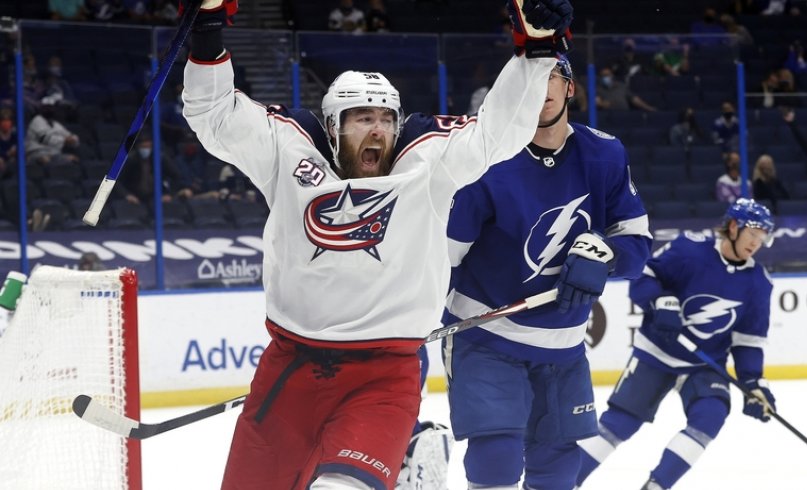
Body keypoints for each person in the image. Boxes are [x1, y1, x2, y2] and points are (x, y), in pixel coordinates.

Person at [180, 0, 574, 488]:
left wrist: (535, 49)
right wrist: (208, 26)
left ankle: (406, 452)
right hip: (289, 372)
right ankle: (413, 458)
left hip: (382, 378)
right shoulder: (288, 150)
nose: (378, 130)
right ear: (332, 128)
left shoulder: (429, 160)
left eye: (386, 118)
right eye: (361, 118)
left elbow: (501, 132)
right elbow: (214, 114)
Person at [442, 55, 652, 490]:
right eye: (531, 78)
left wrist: (604, 252)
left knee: (557, 472)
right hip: (487, 337)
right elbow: (442, 258)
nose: (541, 87)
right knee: (495, 460)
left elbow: (636, 247)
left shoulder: (604, 153)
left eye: (551, 76)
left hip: (565, 348)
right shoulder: (482, 162)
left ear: (569, 88)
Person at [577, 198, 778, 490]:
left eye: (762, 238)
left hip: (704, 364)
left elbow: (748, 341)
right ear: (733, 227)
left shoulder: (758, 282)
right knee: (619, 423)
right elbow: (644, 276)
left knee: (710, 417)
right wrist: (659, 301)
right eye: (752, 234)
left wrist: (754, 382)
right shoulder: (689, 251)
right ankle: (564, 482)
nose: (756, 243)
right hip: (656, 352)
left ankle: (657, 486)